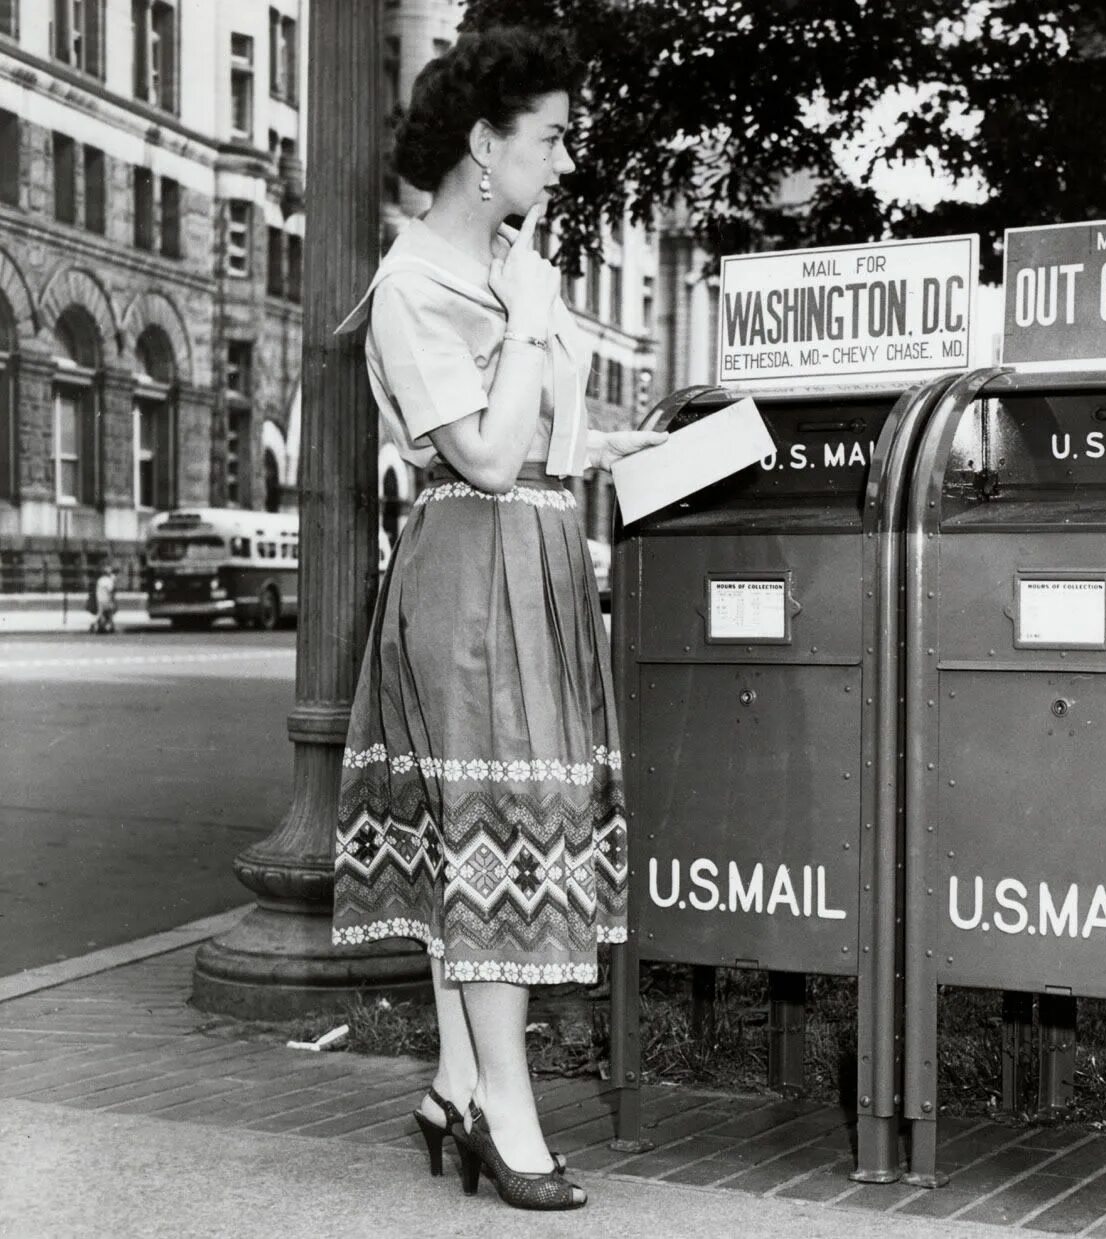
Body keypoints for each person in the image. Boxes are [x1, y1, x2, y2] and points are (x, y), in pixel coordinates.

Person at [329, 26, 664, 1213]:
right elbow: (475, 452)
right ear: (485, 146)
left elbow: (529, 440)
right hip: (471, 569)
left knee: (483, 822)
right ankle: (501, 1116)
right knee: (494, 828)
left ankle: (456, 1082)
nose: (567, 158)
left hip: (530, 552)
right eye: (553, 135)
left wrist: (612, 446)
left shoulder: (502, 271)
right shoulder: (417, 283)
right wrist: (528, 315)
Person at [91, 565, 117, 634]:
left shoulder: (100, 579)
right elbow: (110, 591)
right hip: (106, 599)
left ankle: (99, 626)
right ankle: (108, 627)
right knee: (109, 614)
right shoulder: (109, 580)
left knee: (101, 613)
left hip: (100, 599)